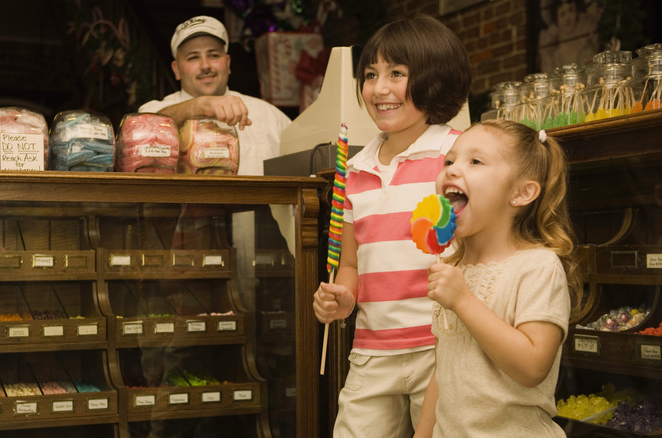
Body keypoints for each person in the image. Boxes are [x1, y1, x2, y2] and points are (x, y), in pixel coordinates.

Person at [312, 15, 471, 438]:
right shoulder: (354, 170)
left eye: (396, 73)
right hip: (371, 352)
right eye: (370, 74)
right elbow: (351, 265)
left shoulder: (456, 155)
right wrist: (342, 298)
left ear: (434, 80)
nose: (379, 88)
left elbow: (479, 252)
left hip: (442, 349)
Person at [413, 120, 582, 437]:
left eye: (475, 161)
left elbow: (533, 367)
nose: (451, 169)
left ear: (521, 192)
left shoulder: (537, 267)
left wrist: (463, 301)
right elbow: (444, 370)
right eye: (450, 160)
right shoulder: (452, 266)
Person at [138, 15, 291, 176]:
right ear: (176, 69)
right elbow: (143, 130)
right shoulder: (153, 110)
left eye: (214, 55)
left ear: (228, 63)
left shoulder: (268, 115)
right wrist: (198, 105)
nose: (205, 66)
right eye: (193, 57)